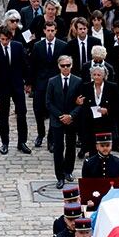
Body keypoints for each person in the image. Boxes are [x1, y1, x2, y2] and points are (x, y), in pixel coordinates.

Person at [0, 27, 33, 155]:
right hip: (3, 87)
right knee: (4, 115)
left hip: (17, 85)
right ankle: (4, 142)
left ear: (10, 38)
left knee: (22, 113)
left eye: (6, 39)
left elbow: (25, 64)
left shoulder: (18, 46)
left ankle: (22, 142)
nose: (4, 42)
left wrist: (28, 82)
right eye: (2, 40)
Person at [46, 55, 85, 187]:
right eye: (63, 66)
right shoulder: (52, 81)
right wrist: (61, 116)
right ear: (59, 66)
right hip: (58, 120)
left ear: (71, 66)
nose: (65, 68)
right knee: (58, 148)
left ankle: (68, 170)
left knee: (70, 146)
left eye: (68, 65)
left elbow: (80, 103)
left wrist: (71, 116)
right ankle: (59, 176)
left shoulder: (78, 81)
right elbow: (49, 102)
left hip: (72, 120)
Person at [30, 21, 68, 148]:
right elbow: (33, 66)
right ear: (44, 31)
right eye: (48, 30)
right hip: (41, 83)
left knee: (54, 112)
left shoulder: (62, 46)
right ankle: (41, 134)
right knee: (38, 110)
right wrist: (30, 83)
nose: (50, 33)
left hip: (56, 84)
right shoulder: (38, 46)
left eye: (52, 30)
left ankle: (51, 139)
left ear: (56, 31)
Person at [80, 71, 119, 156]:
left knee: (104, 149)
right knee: (93, 151)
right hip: (91, 123)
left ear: (104, 76)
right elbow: (82, 104)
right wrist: (79, 102)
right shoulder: (86, 87)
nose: (96, 77)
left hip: (106, 123)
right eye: (94, 75)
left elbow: (118, 105)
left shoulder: (112, 87)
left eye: (99, 75)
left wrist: (107, 110)